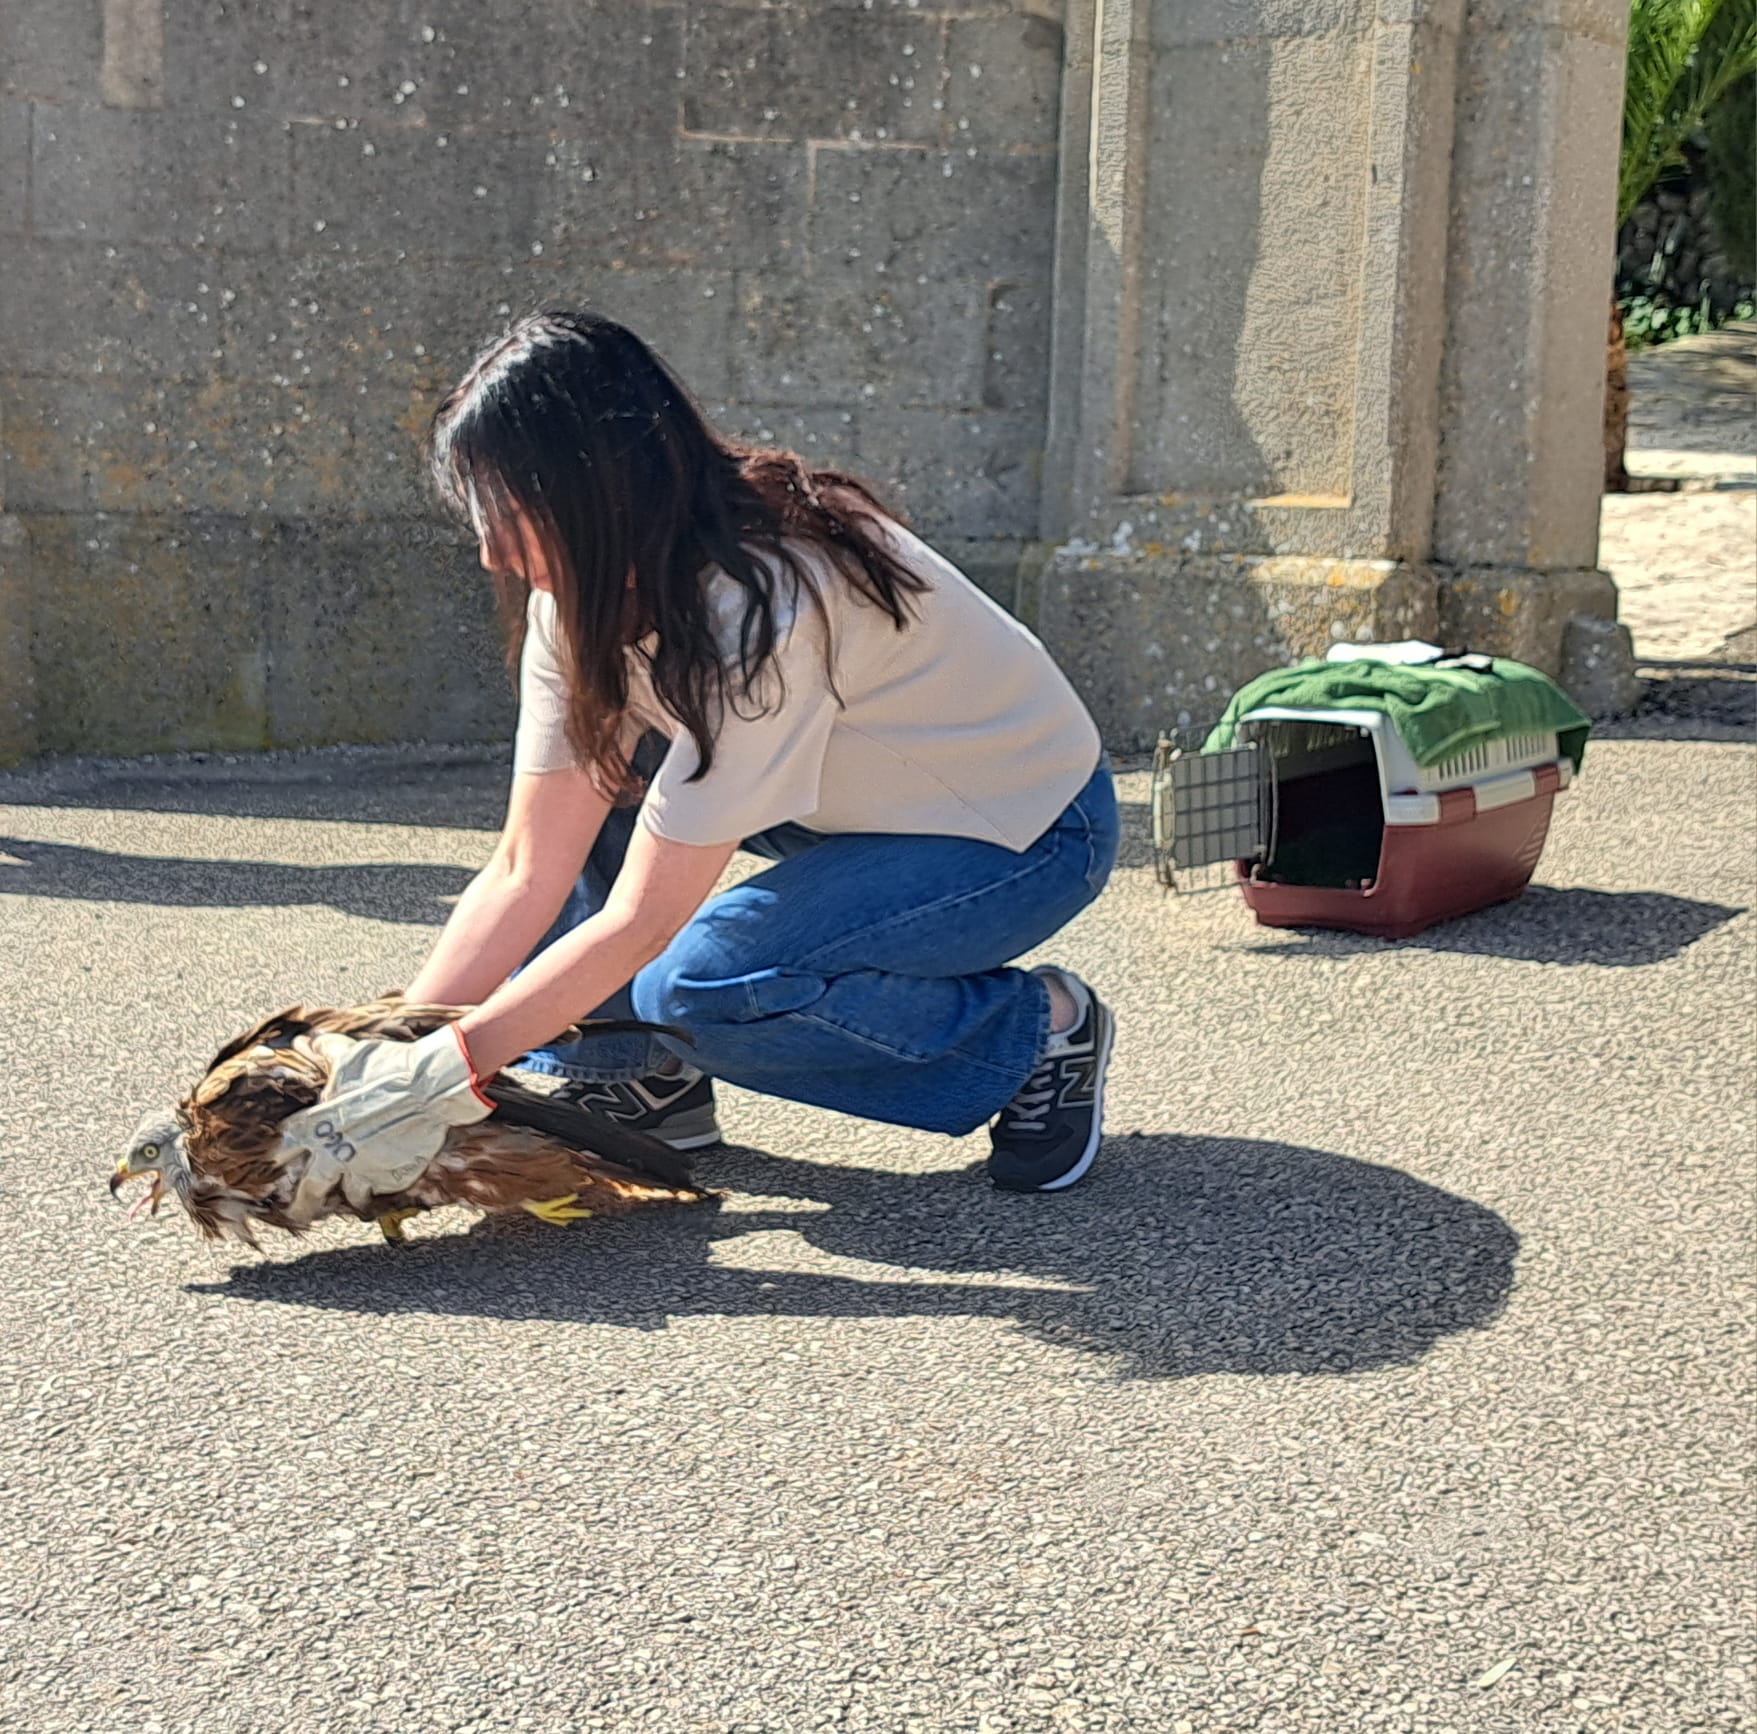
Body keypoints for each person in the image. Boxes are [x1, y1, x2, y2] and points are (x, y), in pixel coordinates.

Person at [282, 309, 1120, 1198]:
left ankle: (1036, 1034)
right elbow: (530, 864)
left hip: (1021, 828)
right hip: (847, 809)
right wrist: (396, 1045)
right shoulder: (579, 598)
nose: (491, 552)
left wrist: (447, 1074)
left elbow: (645, 919)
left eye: (511, 515)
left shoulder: (769, 600)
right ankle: (641, 1075)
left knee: (707, 987)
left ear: (597, 488)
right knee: (603, 787)